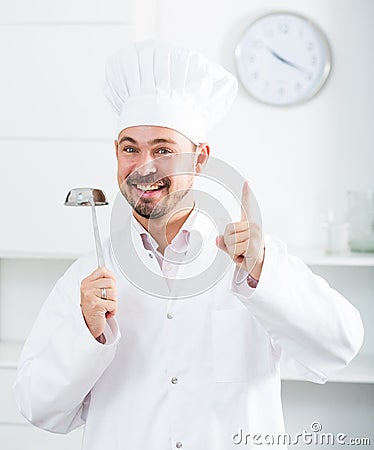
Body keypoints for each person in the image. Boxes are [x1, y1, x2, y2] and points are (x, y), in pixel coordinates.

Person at [14, 40, 364, 450]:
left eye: (163, 149)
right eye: (131, 149)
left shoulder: (250, 259)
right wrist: (87, 332)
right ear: (116, 154)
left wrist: (262, 272)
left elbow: (341, 346)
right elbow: (38, 407)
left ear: (199, 159)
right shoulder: (90, 275)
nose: (144, 166)